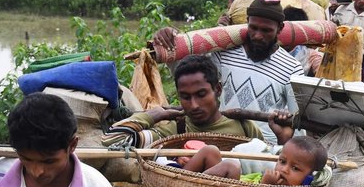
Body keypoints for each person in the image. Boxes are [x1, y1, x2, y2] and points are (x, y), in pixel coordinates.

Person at [154, 0, 305, 144]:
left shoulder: (292, 68)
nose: (258, 36)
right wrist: (172, 43)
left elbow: (299, 125)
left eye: (266, 30)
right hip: (222, 140)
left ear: (280, 29)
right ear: (247, 22)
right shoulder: (224, 53)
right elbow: (189, 74)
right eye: (253, 28)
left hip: (264, 149)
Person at [103, 55, 266, 148]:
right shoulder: (174, 131)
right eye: (185, 97)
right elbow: (112, 140)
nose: (194, 105)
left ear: (217, 89)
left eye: (201, 94)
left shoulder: (245, 128)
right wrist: (152, 115)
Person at [180, 134, 328, 186]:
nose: (284, 169)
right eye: (282, 161)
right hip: (236, 183)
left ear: (309, 177)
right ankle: (178, 180)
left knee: (231, 166)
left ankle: (186, 186)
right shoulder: (277, 179)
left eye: (295, 168)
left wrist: (266, 186)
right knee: (210, 150)